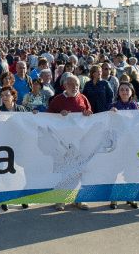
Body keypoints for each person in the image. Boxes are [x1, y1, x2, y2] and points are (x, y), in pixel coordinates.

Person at [47, 75, 92, 211]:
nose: (75, 87)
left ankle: (79, 199)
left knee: (79, 171)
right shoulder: (58, 100)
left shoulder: (83, 98)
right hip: (63, 142)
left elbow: (91, 114)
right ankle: (60, 200)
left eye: (77, 84)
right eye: (72, 84)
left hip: (80, 141)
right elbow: (48, 116)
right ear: (65, 86)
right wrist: (59, 115)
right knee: (64, 171)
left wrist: (88, 113)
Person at [108, 82, 139, 209]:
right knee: (115, 171)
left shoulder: (136, 106)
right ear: (118, 92)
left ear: (131, 92)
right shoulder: (113, 106)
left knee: (131, 171)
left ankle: (131, 197)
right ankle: (114, 198)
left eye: (127, 90)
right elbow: (107, 123)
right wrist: (110, 113)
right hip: (118, 144)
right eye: (122, 90)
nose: (124, 92)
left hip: (132, 145)